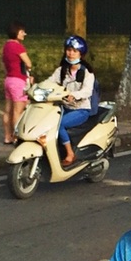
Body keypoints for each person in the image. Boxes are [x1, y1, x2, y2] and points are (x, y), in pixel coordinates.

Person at [40, 35, 98, 166]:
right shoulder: (61, 70)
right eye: (69, 50)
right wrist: (36, 88)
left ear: (81, 54)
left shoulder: (87, 72)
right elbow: (49, 82)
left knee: (58, 125)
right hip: (64, 107)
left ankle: (70, 153)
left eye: (74, 51)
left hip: (81, 109)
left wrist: (74, 95)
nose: (71, 53)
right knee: (45, 122)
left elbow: (87, 91)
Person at [2, 22, 32, 144]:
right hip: (18, 80)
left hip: (9, 79)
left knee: (8, 110)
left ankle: (7, 136)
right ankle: (16, 137)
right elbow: (28, 63)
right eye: (21, 32)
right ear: (16, 32)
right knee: (18, 110)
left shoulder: (6, 46)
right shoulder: (18, 47)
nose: (24, 34)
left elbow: (3, 63)